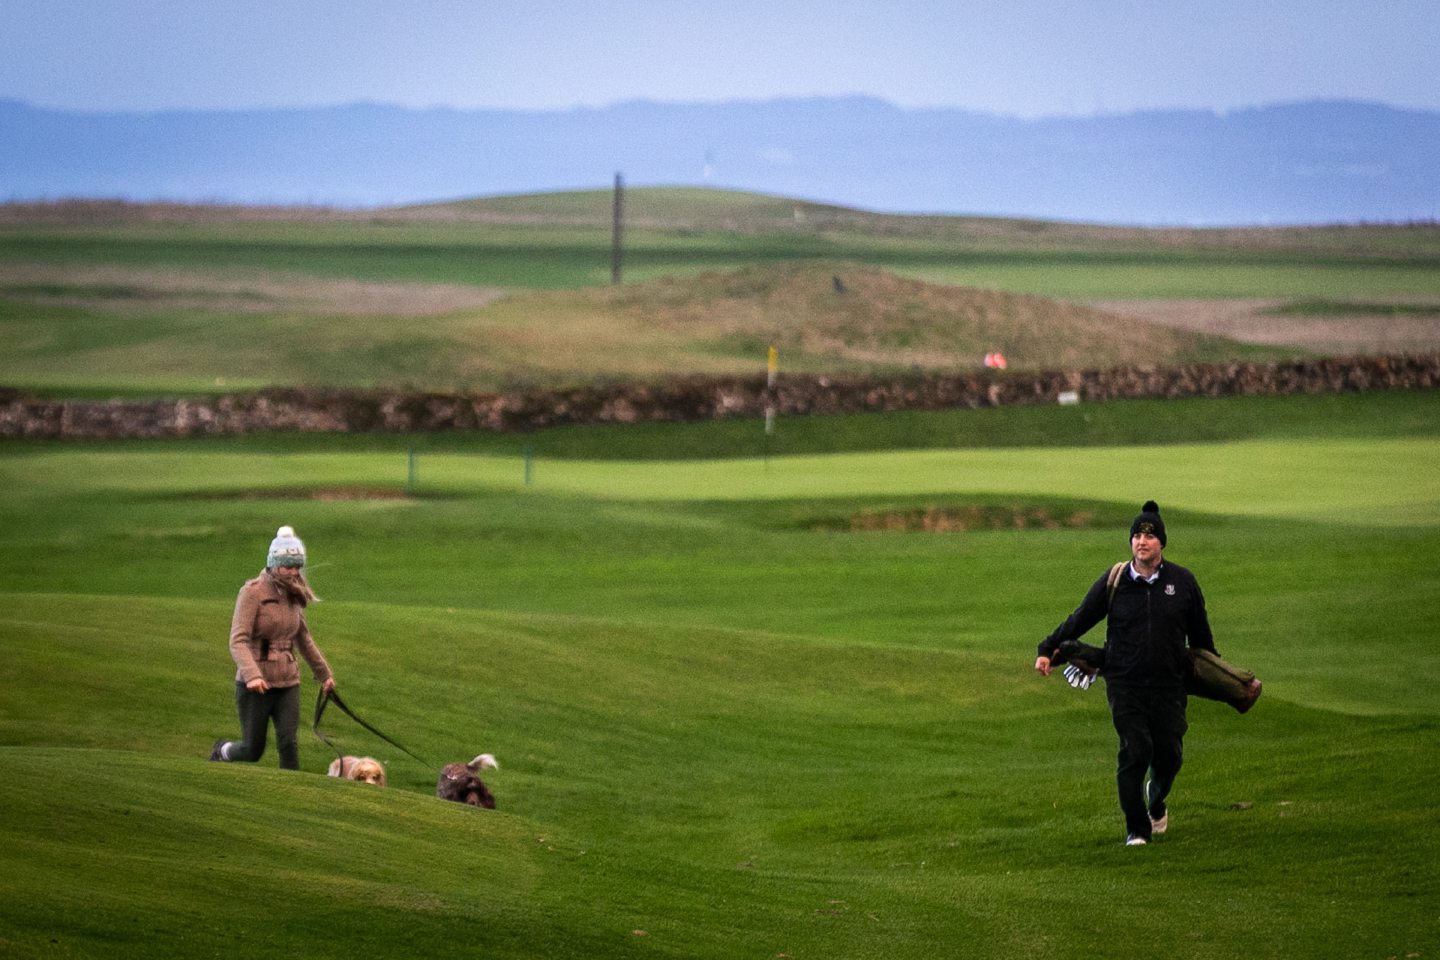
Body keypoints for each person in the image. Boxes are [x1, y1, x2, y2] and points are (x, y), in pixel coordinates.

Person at [1034, 500, 1217, 847]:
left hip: (1168, 685)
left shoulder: (1183, 582)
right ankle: (1137, 830)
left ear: (1161, 542)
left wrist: (1221, 678)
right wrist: (1047, 650)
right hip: (1125, 682)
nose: (1142, 541)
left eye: (1149, 536)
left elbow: (1202, 639)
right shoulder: (1115, 581)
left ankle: (1157, 799)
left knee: (1169, 754)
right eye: (1136, 535)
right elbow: (1081, 618)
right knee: (1135, 749)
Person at [210, 525, 335, 769]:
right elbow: (238, 640)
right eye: (288, 566)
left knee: (289, 743)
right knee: (252, 750)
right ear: (274, 563)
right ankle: (222, 751)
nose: (293, 572)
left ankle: (294, 796)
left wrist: (324, 675)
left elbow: (303, 639)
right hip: (256, 684)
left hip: (288, 681)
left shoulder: (295, 594)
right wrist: (253, 676)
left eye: (297, 566)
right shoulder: (252, 593)